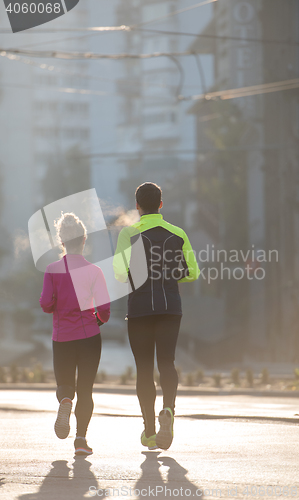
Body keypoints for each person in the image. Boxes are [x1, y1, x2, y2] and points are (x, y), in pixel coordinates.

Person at [113, 182, 200, 450]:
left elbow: (118, 273)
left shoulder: (129, 233)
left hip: (139, 310)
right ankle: (169, 410)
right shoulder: (178, 233)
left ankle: (150, 431)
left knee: (143, 369)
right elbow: (193, 273)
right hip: (170, 309)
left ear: (137, 206)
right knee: (167, 362)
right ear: (161, 205)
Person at [40, 212, 110, 456]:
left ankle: (65, 401)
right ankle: (81, 440)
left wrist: (58, 305)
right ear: (83, 240)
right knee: (87, 389)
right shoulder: (95, 271)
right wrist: (94, 322)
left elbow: (46, 304)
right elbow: (105, 310)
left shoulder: (52, 269)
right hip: (89, 337)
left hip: (62, 338)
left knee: (65, 385)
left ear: (61, 241)